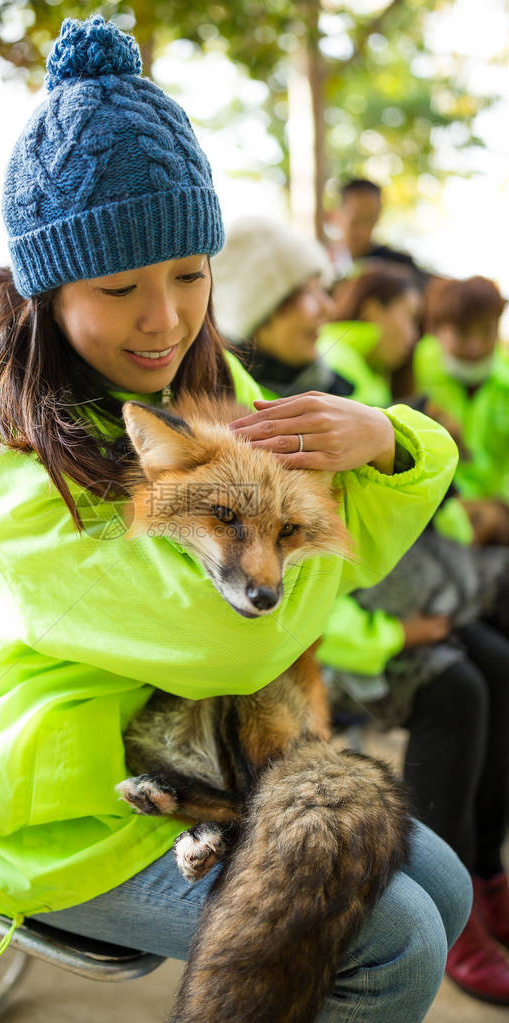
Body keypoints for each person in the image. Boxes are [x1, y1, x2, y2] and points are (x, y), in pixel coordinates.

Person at [0, 16, 471, 1021]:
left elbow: (335, 553)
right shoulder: (9, 442)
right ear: (46, 294)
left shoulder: (211, 381)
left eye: (189, 274)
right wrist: (300, 562)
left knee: (448, 888)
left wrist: (384, 446)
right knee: (395, 941)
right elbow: (230, 631)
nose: (164, 319)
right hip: (63, 801)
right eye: (121, 286)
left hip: (208, 755)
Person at [213, 219, 509, 1004]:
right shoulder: (255, 419)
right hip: (316, 652)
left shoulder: (324, 383)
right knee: (458, 687)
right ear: (260, 307)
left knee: (497, 661)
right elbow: (286, 596)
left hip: (371, 609)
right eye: (304, 292)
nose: (326, 303)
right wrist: (392, 633)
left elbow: (379, 538)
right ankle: (461, 914)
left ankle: (479, 873)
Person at [210, 215, 352, 397]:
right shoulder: (221, 406)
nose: (328, 307)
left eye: (322, 289)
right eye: (308, 291)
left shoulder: (335, 379)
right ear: (260, 312)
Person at [415, 275, 509, 545]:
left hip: (492, 518)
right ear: (437, 329)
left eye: (486, 331)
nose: (475, 346)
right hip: (427, 513)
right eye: (462, 333)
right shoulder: (414, 367)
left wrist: (499, 508)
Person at [317, 263, 422, 407]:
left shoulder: (372, 374)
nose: (414, 336)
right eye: (410, 317)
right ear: (374, 311)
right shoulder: (333, 359)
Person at [329, 178, 427, 285]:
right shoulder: (322, 262)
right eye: (356, 220)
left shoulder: (396, 263)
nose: (362, 230)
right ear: (338, 214)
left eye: (369, 220)